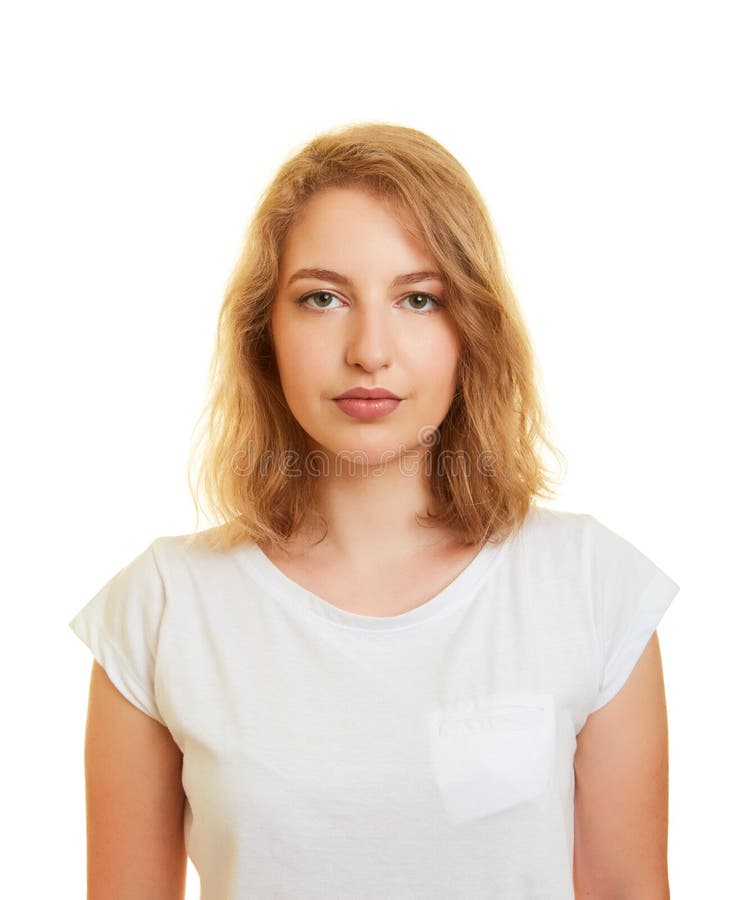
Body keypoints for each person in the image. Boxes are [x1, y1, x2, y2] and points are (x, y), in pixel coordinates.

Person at [69, 122, 679, 899]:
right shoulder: (160, 608)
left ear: (472, 329)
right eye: (321, 298)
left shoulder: (591, 588)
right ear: (266, 332)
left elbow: (628, 887)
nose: (369, 349)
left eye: (417, 298)